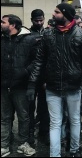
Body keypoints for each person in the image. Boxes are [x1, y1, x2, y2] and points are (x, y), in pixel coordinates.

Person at [27, 3, 82, 157]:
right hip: (52, 88)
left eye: (57, 12)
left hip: (74, 87)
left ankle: (74, 149)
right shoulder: (48, 35)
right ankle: (55, 154)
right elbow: (39, 61)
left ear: (66, 15)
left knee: (75, 120)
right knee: (55, 123)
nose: (53, 14)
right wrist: (32, 83)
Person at [1, 14, 37, 157]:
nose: (1, 24)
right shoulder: (2, 39)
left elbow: (36, 61)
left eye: (3, 22)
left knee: (24, 116)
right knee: (4, 117)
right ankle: (4, 145)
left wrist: (24, 72)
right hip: (3, 86)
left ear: (13, 25)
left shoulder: (30, 40)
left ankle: (23, 144)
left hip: (21, 86)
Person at [29, 9, 50, 145]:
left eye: (41, 20)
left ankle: (44, 132)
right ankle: (29, 133)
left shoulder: (48, 33)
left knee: (44, 107)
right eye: (36, 20)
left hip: (44, 76)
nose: (39, 22)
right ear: (32, 20)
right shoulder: (26, 34)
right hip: (30, 76)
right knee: (29, 107)